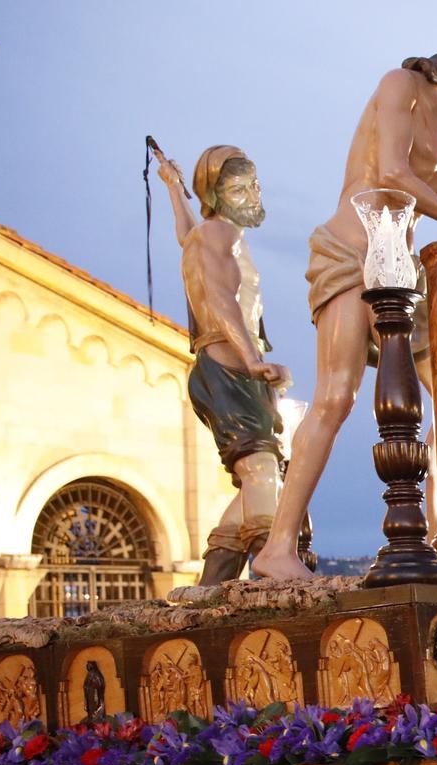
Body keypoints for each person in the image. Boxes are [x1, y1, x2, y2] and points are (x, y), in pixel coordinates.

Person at [256, 15, 437, 580]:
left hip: (402, 273)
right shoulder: (400, 87)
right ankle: (276, 547)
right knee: (336, 397)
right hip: (351, 252)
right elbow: (392, 172)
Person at [150, 145, 294, 583]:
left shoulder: (205, 234)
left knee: (262, 471)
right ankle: (275, 568)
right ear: (216, 195)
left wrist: (174, 188)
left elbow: (184, 233)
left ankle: (216, 577)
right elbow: (220, 299)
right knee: (262, 469)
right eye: (237, 189)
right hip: (229, 366)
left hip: (219, 368)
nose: (252, 195)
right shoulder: (221, 237)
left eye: (254, 185)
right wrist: (253, 362)